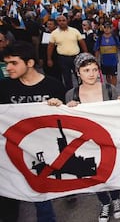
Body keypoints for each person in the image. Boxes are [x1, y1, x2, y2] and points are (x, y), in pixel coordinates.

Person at [49, 53, 120, 222]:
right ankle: (104, 203)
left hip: (108, 140)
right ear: (78, 72)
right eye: (86, 70)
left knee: (111, 172)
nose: (91, 74)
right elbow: (68, 123)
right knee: (93, 175)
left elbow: (119, 114)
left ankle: (116, 199)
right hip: (86, 144)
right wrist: (66, 108)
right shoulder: (72, 94)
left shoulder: (109, 89)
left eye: (94, 69)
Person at [0, 41, 64, 222]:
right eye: (6, 64)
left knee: (40, 196)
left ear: (29, 63)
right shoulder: (4, 87)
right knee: (9, 196)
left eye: (13, 63)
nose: (8, 68)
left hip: (43, 151)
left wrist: (61, 107)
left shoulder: (54, 86)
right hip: (11, 151)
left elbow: (68, 122)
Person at [47, 15, 88, 90]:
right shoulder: (54, 33)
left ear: (67, 21)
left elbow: (82, 43)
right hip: (63, 59)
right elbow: (50, 47)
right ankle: (70, 94)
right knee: (67, 78)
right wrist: (49, 59)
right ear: (57, 22)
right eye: (59, 21)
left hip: (76, 57)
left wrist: (86, 55)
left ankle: (83, 91)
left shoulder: (74, 31)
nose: (62, 22)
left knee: (80, 76)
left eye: (63, 20)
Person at [94, 22, 120, 86]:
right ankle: (109, 87)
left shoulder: (114, 37)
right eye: (105, 28)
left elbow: (119, 46)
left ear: (111, 29)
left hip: (113, 61)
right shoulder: (100, 38)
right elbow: (97, 49)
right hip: (104, 61)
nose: (107, 29)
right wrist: (96, 59)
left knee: (114, 75)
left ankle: (114, 88)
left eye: (108, 28)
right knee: (107, 75)